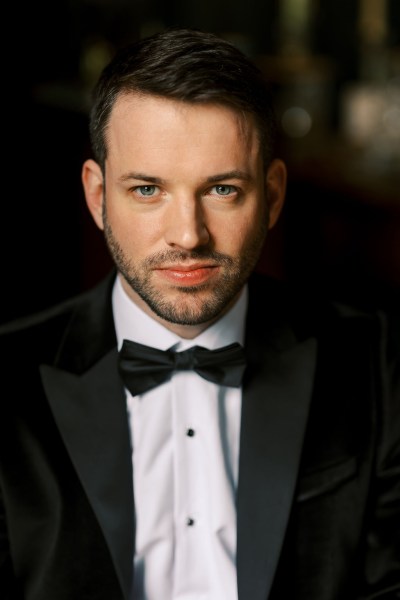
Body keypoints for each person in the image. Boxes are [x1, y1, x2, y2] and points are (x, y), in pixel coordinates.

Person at [0, 27, 399, 600]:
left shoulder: (376, 362)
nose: (188, 235)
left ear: (273, 195)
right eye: (146, 190)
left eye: (222, 190)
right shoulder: (5, 385)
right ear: (96, 195)